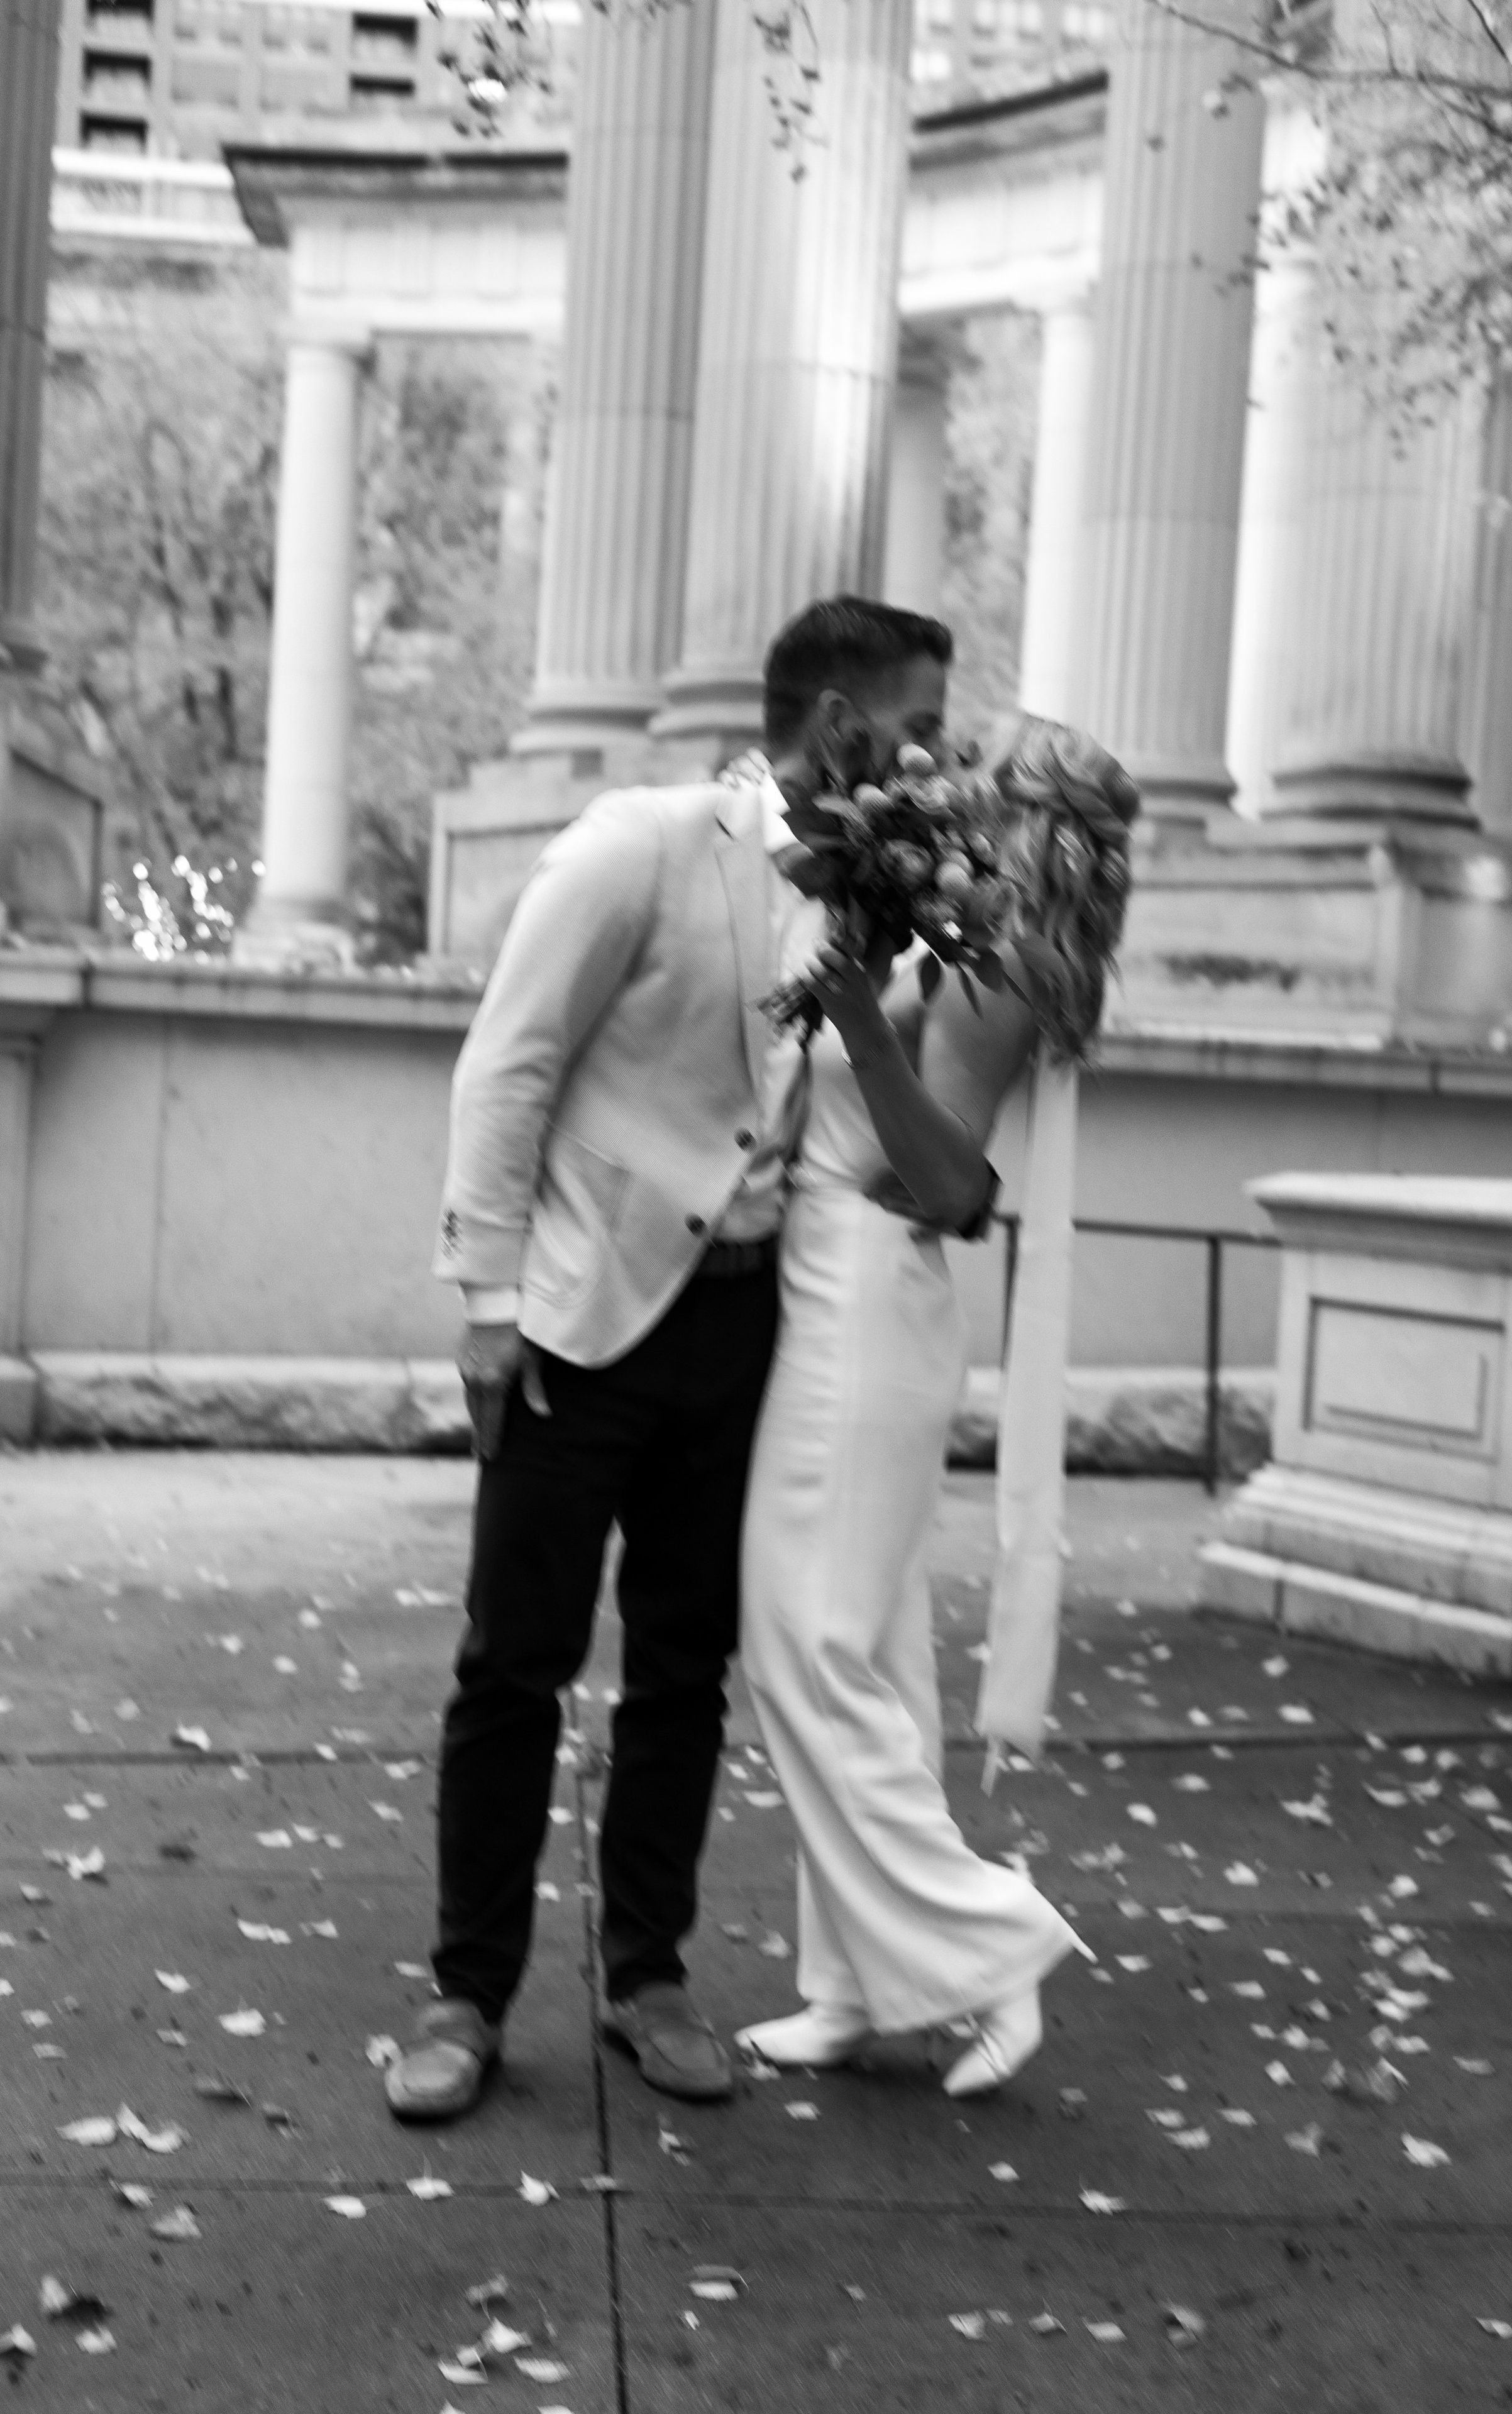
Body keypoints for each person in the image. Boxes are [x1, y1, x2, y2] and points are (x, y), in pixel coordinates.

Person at [384, 597, 951, 2122]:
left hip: (745, 1326)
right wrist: (489, 1307)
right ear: (841, 730)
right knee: (514, 1662)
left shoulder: (873, 898)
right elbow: (506, 1065)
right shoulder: (632, 844)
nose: (939, 763)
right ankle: (466, 1995)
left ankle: (647, 1978)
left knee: (683, 1672)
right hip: (577, 1322)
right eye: (922, 730)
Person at [736, 713, 1138, 2096]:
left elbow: (946, 1179)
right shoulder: (956, 930)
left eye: (980, 781)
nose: (948, 788)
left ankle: (992, 1941)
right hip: (832, 1279)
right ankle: (853, 1984)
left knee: (808, 1643)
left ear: (1022, 824)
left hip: (864, 1287)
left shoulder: (1006, 970)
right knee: (874, 1653)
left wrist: (856, 1017)